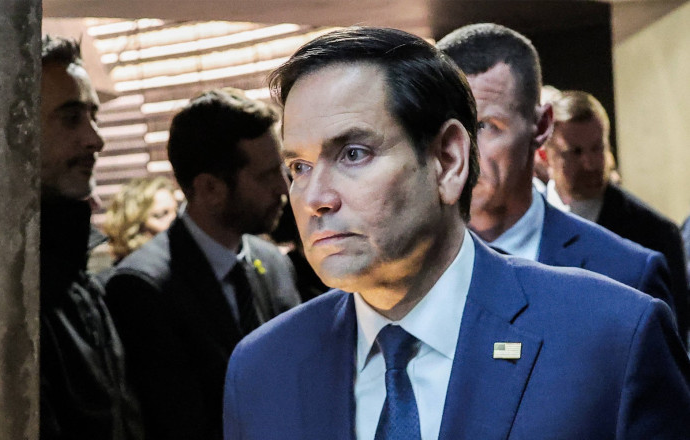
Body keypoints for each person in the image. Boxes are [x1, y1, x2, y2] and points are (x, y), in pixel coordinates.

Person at [222, 26, 690, 440]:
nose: (313, 197)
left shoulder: (611, 337)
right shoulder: (263, 369)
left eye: (353, 154)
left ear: (448, 161)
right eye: (298, 166)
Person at [436, 24, 679, 324]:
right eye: (445, 129)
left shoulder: (625, 274)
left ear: (540, 127)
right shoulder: (400, 266)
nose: (460, 152)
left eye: (485, 126)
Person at [105, 88, 301, 439]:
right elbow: (177, 423)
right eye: (265, 176)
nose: (284, 188)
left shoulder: (273, 263)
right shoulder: (141, 286)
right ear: (210, 188)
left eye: (282, 170)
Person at [39, 36, 142, 439]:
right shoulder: (1, 293)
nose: (96, 139)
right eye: (70, 118)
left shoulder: (72, 274)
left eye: (93, 116)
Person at [542, 89, 689, 343]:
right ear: (545, 155)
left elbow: (674, 339)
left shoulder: (656, 234)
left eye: (597, 148)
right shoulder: (523, 221)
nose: (590, 164)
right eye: (575, 152)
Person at [102, 176, 180, 263]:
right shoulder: (126, 274)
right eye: (160, 215)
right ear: (135, 227)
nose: (175, 219)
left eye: (177, 212)